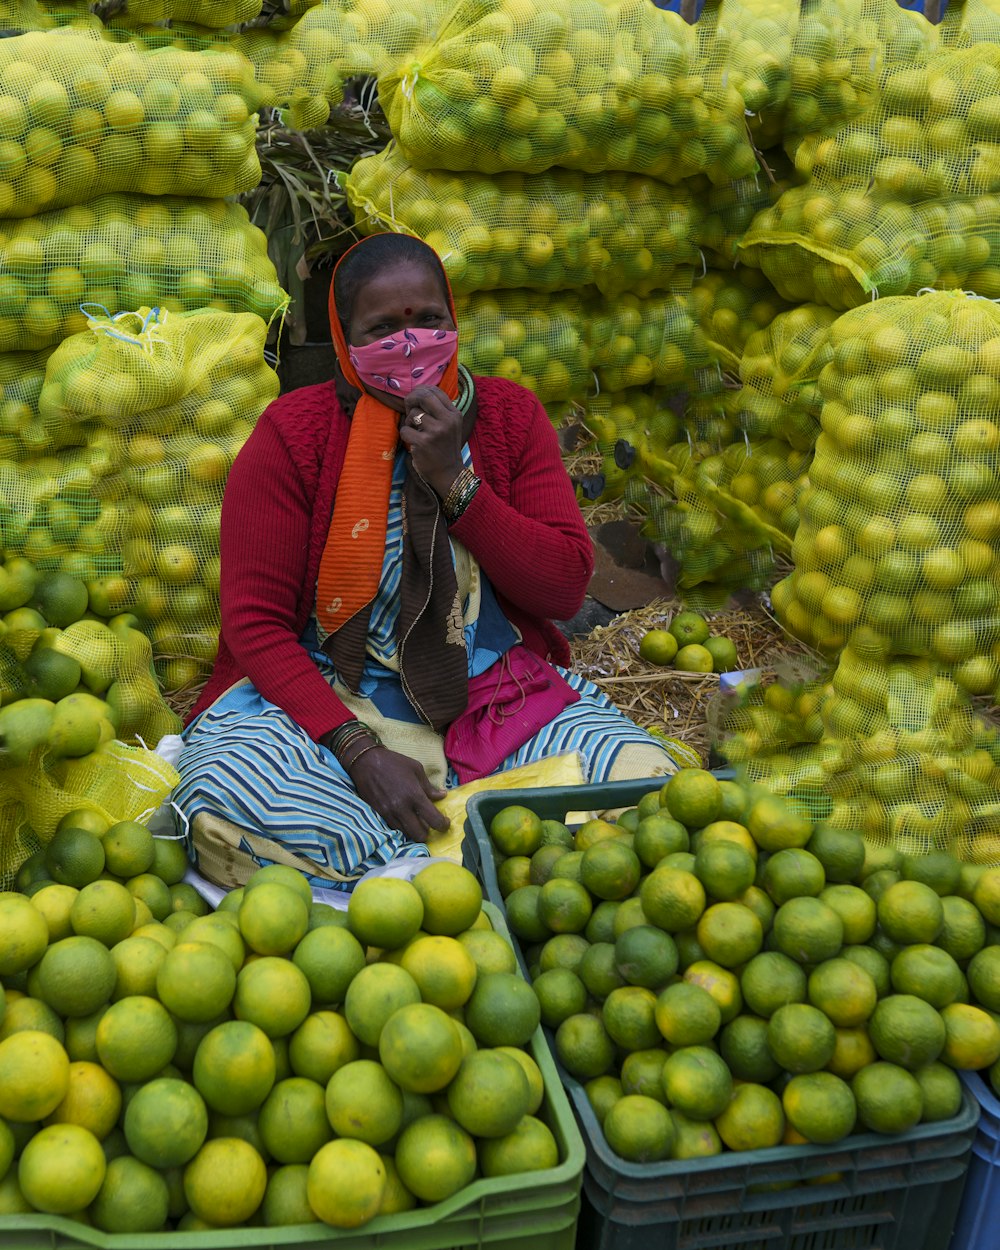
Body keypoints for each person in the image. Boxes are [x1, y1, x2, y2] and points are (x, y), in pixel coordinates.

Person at [172, 233, 680, 889]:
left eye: (428, 321)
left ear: (452, 321)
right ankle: (445, 868)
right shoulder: (292, 435)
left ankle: (416, 868)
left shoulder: (508, 416)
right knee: (224, 798)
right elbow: (257, 624)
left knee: (652, 789)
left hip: (495, 697)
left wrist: (455, 483)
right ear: (344, 340)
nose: (410, 344)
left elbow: (559, 588)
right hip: (334, 701)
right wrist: (357, 750)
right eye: (383, 328)